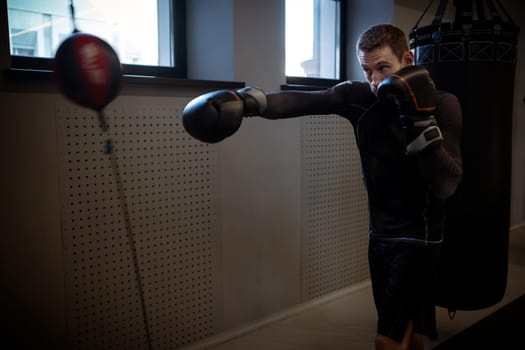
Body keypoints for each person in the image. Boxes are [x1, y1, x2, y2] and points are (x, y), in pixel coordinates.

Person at [182, 24, 463, 350]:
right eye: (367, 70)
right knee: (409, 332)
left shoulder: (444, 104)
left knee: (386, 339)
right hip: (380, 237)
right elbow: (306, 101)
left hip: (420, 239)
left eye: (383, 69)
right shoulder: (360, 99)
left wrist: (420, 124)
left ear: (407, 58)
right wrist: (248, 103)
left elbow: (446, 184)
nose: (374, 81)